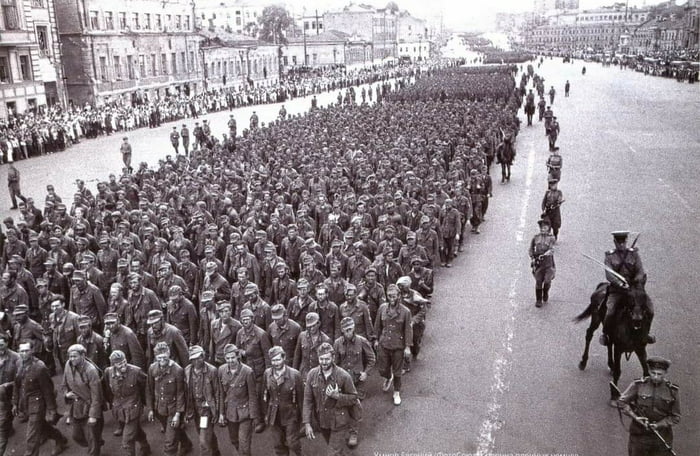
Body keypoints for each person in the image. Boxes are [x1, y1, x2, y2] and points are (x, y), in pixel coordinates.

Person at [13, 342, 69, 456]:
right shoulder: (19, 363)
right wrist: (15, 403)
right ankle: (60, 439)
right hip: (26, 402)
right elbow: (17, 384)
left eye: (26, 350)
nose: (24, 353)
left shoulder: (39, 367)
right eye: (21, 351)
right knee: (41, 425)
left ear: (32, 351)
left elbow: (48, 390)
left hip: (38, 403)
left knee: (32, 436)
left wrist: (52, 410)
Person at [302, 342, 358, 456]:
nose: (324, 362)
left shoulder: (343, 376)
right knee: (334, 448)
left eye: (327, 359)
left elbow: (354, 398)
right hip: (322, 421)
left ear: (333, 358)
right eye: (321, 359)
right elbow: (308, 400)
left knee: (332, 453)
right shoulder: (312, 375)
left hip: (339, 421)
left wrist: (337, 396)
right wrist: (307, 423)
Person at [618, 356, 681, 456]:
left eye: (659, 374)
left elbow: (675, 417)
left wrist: (658, 425)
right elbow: (622, 402)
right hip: (639, 436)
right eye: (653, 373)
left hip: (662, 437)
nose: (655, 377)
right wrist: (635, 417)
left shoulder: (672, 390)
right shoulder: (638, 385)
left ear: (665, 373)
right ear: (649, 371)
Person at [600, 231, 652, 346]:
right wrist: (620, 283)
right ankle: (606, 334)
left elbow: (640, 271)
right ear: (615, 242)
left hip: (634, 290)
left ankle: (646, 333)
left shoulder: (634, 254)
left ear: (626, 241)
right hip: (617, 291)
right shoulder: (609, 256)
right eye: (619, 242)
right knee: (610, 311)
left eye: (623, 242)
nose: (621, 245)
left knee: (650, 310)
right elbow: (609, 275)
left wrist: (636, 281)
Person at [333, 317, 375, 448]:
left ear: (354, 328)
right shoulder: (337, 343)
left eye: (350, 329)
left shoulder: (362, 341)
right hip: (344, 381)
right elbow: (334, 362)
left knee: (355, 405)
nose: (348, 332)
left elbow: (372, 358)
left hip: (358, 381)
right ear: (342, 330)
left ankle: (353, 433)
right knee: (343, 404)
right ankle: (346, 426)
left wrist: (366, 373)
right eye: (345, 330)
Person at [102, 350, 151, 456]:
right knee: (135, 430)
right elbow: (107, 389)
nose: (123, 365)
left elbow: (147, 387)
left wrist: (148, 405)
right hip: (119, 410)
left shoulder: (136, 372)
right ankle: (145, 446)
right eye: (119, 363)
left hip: (133, 409)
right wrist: (112, 403)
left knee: (127, 440)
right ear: (113, 364)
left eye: (124, 361)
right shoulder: (108, 372)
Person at [146, 341, 192, 456]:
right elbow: (149, 390)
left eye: (164, 357)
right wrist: (151, 409)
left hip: (173, 409)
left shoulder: (177, 370)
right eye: (159, 358)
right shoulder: (152, 368)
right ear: (156, 357)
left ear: (169, 354)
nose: (162, 360)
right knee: (173, 430)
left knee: (170, 441)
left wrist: (178, 414)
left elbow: (181, 393)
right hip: (159, 409)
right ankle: (187, 444)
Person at [61, 343, 104, 456]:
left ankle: (94, 447)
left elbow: (96, 395)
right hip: (76, 407)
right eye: (70, 356)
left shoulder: (91, 370)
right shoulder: (68, 365)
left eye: (75, 356)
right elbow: (64, 384)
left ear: (83, 355)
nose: (72, 359)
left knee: (91, 437)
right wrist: (67, 394)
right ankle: (96, 443)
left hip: (90, 407)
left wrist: (93, 415)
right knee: (76, 436)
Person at [217, 343, 260, 456]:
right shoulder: (221, 370)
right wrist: (221, 413)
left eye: (233, 358)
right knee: (234, 440)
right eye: (227, 358)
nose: (230, 361)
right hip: (230, 413)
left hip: (245, 413)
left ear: (238, 357)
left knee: (244, 443)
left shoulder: (247, 372)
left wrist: (255, 417)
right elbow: (221, 394)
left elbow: (252, 396)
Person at [374, 284, 413, 406]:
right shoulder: (382, 308)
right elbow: (377, 325)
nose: (391, 298)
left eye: (394, 296)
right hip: (384, 344)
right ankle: (387, 377)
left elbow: (408, 330)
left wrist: (407, 347)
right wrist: (375, 339)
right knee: (382, 369)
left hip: (398, 346)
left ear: (399, 296)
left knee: (397, 371)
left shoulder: (405, 312)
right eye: (389, 296)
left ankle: (396, 392)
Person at [262, 346, 303, 456]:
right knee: (278, 444)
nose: (276, 363)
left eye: (278, 360)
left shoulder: (295, 375)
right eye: (273, 360)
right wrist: (266, 414)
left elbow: (301, 399)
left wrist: (304, 419)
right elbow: (265, 395)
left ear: (284, 358)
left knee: (292, 442)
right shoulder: (267, 374)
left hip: (291, 414)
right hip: (274, 415)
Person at [184, 345, 221, 456]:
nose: (196, 361)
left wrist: (217, 412)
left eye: (199, 357)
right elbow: (185, 392)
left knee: (203, 440)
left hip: (206, 410)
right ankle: (215, 452)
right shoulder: (187, 371)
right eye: (193, 358)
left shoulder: (212, 371)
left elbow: (217, 392)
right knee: (203, 433)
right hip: (194, 410)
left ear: (203, 357)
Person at [529, 219, 556, 308]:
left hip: (548, 264)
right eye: (541, 227)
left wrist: (544, 255)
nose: (542, 229)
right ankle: (538, 300)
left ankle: (545, 292)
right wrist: (532, 257)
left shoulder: (551, 238)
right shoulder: (536, 237)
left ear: (548, 228)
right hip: (539, 264)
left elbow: (551, 250)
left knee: (548, 280)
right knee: (538, 281)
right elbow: (531, 249)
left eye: (544, 227)